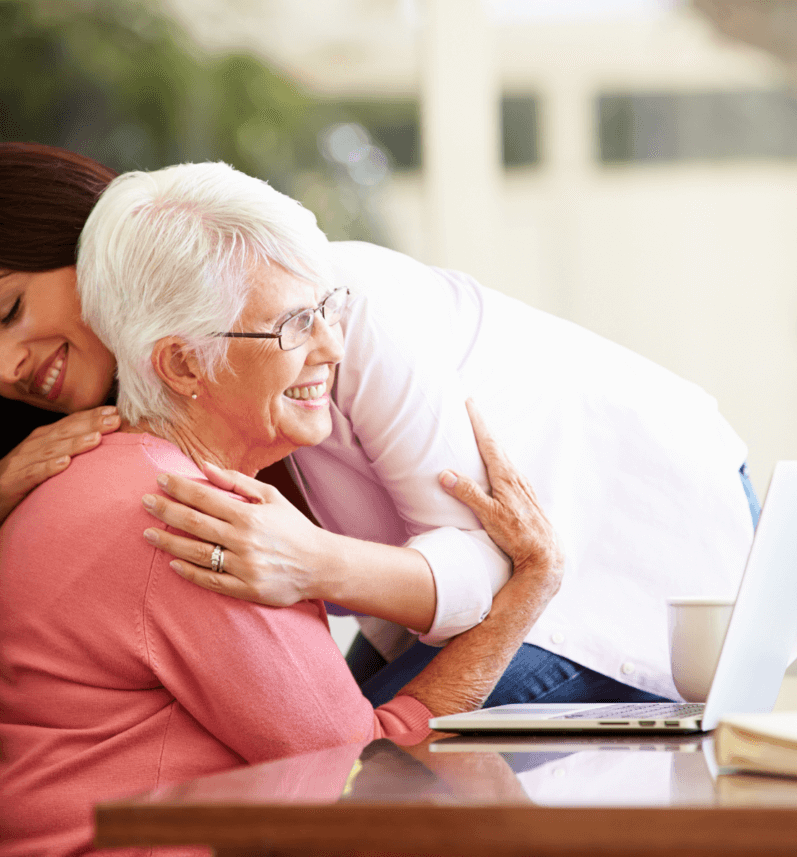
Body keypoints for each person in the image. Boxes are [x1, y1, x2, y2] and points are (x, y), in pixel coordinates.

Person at [0, 144, 758, 707]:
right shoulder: (113, 437)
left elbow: (484, 566)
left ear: (83, 249)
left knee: (371, 767)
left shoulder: (327, 309)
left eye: (10, 310)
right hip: (463, 596)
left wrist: (314, 560)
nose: (9, 365)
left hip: (624, 554)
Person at [0, 161, 563, 857]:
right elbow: (367, 775)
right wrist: (528, 590)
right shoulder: (189, 518)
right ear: (180, 366)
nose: (331, 345)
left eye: (327, 309)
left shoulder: (106, 474)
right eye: (295, 325)